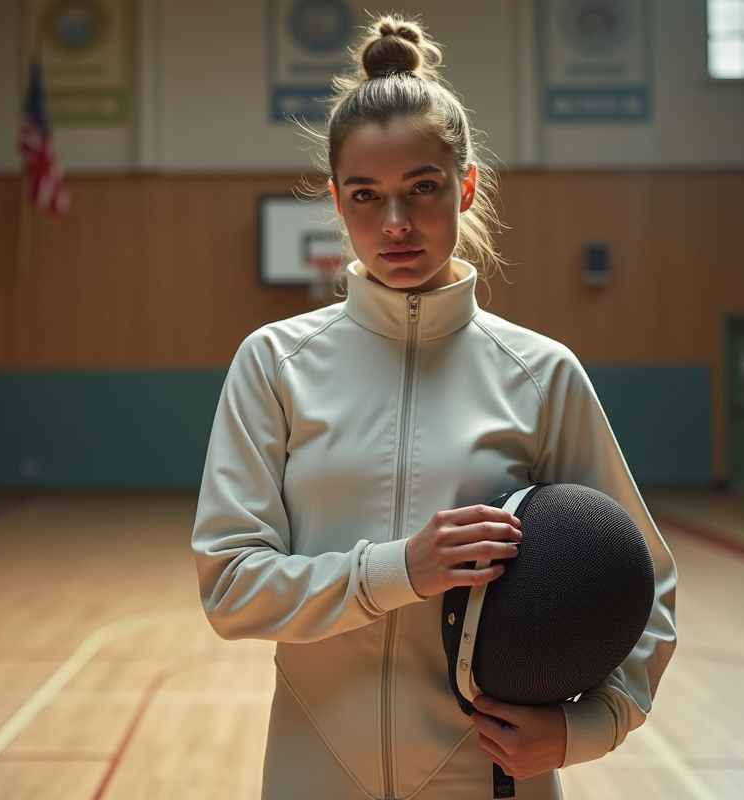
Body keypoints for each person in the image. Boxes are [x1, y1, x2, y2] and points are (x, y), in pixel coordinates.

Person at [192, 14, 676, 800]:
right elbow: (230, 589)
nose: (395, 223)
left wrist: (589, 726)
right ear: (337, 202)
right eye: (366, 195)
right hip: (316, 766)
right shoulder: (275, 364)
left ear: (466, 186)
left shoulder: (541, 374)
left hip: (489, 774)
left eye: (422, 188)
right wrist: (401, 571)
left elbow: (641, 580)